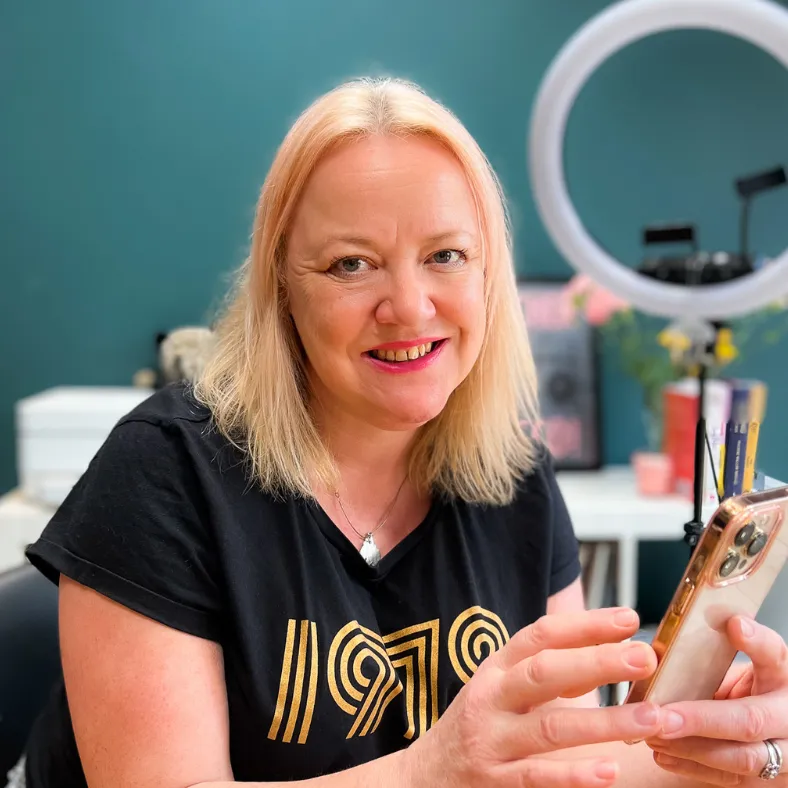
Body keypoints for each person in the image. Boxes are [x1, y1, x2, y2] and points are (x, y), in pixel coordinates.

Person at [12, 77, 788, 788]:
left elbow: (564, 767)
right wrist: (432, 771)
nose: (410, 307)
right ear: (283, 288)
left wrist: (735, 753)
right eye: (352, 265)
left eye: (445, 255)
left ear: (488, 273)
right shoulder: (164, 472)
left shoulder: (514, 474)